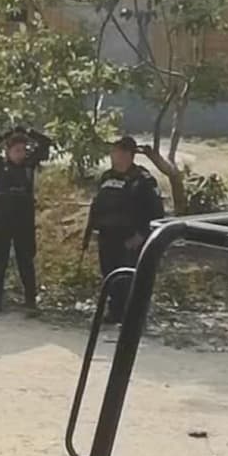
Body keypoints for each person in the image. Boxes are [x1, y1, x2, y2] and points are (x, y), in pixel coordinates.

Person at [83, 136, 166, 324]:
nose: (115, 157)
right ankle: (114, 312)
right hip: (107, 236)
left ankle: (132, 317)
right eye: (113, 152)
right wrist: (92, 231)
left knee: (129, 278)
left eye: (119, 153)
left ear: (129, 155)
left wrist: (142, 235)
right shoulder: (107, 177)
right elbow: (97, 205)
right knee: (110, 275)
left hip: (130, 239)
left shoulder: (143, 180)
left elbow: (156, 212)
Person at [0, 126, 53, 313]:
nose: (21, 154)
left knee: (25, 262)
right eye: (17, 150)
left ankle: (30, 302)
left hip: (23, 221)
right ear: (8, 151)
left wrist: (29, 131)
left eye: (23, 150)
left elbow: (46, 143)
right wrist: (7, 133)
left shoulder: (28, 165)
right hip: (1, 221)